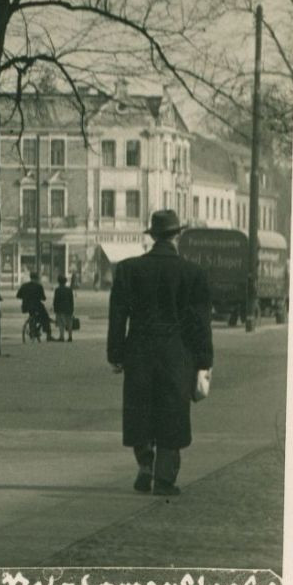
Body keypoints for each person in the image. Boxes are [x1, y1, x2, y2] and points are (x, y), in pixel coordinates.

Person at [108, 209, 213, 497]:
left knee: (140, 410)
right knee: (172, 413)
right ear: (178, 235)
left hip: (139, 351)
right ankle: (165, 478)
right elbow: (200, 323)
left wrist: (116, 354)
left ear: (152, 236)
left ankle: (145, 465)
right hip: (177, 354)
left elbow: (118, 316)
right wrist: (204, 361)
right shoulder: (193, 274)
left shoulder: (128, 270)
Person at [17, 272, 52, 341]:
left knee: (32, 315)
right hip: (37, 306)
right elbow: (43, 298)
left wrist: (25, 297)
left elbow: (18, 296)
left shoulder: (24, 285)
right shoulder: (38, 286)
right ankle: (48, 334)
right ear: (37, 278)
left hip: (26, 306)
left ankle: (32, 329)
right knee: (45, 317)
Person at [52, 275, 76, 343]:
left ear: (58, 282)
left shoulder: (57, 290)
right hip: (68, 308)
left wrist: (55, 308)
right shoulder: (69, 290)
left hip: (60, 308)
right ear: (65, 282)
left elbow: (55, 300)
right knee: (69, 323)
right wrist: (72, 309)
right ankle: (70, 336)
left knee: (61, 323)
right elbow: (71, 300)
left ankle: (62, 337)